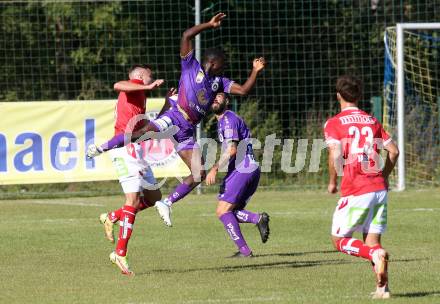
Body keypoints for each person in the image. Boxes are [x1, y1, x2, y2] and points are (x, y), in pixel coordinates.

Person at [88, 13, 266, 228]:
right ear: (213, 62)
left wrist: (255, 71)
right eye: (223, 63)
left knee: (198, 173)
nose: (225, 66)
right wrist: (209, 25)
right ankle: (101, 148)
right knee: (140, 133)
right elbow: (187, 34)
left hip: (187, 129)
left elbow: (245, 90)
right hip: (174, 116)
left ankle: (167, 203)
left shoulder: (220, 82)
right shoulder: (191, 65)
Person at [324, 75, 399, 298]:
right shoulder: (372, 121)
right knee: (373, 241)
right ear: (359, 96)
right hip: (378, 190)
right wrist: (384, 176)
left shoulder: (334, 123)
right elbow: (393, 151)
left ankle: (374, 257)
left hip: (357, 190)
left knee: (339, 241)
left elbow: (335, 154)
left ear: (338, 95)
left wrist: (332, 181)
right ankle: (382, 289)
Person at [97, 64, 165, 276]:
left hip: (136, 150)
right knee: (133, 200)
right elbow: (118, 84)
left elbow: (149, 126)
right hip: (124, 151)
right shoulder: (134, 85)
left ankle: (113, 216)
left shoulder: (141, 95)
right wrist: (151, 85)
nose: (151, 78)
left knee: (154, 196)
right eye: (149, 75)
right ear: (140, 76)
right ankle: (120, 253)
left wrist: (166, 106)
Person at [206, 92, 269, 257]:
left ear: (227, 101)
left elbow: (232, 149)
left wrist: (214, 168)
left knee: (222, 211)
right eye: (213, 96)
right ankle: (257, 220)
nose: (215, 98)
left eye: (219, 96)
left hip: (243, 168)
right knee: (232, 211)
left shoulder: (228, 119)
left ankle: (246, 250)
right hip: (248, 168)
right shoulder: (224, 121)